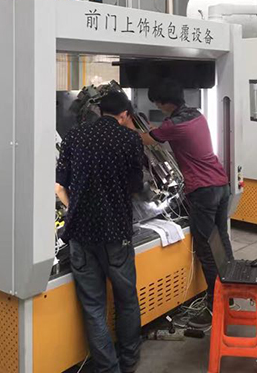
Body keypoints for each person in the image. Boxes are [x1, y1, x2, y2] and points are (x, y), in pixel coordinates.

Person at [55, 91, 144, 373]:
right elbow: (137, 186)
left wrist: (76, 207)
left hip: (81, 234)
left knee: (93, 306)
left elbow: (60, 185)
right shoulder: (129, 139)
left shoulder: (74, 135)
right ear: (125, 114)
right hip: (116, 233)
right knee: (126, 300)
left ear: (100, 110)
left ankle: (108, 367)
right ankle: (129, 360)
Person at [139, 78, 233, 328]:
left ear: (164, 102)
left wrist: (124, 125)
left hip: (203, 190)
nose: (157, 107)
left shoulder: (173, 125)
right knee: (221, 240)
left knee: (207, 249)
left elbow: (146, 140)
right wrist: (154, 130)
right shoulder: (195, 115)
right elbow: (163, 133)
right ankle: (230, 294)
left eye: (157, 103)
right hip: (221, 184)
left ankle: (214, 308)